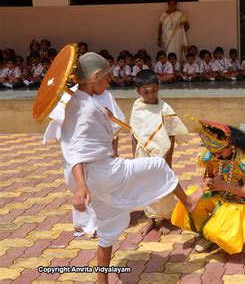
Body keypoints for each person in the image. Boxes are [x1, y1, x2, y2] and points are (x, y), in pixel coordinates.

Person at [59, 52, 203, 283]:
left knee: (106, 231)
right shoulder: (85, 108)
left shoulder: (77, 101)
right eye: (106, 78)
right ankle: (187, 202)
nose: (108, 83)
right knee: (158, 165)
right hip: (104, 173)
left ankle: (101, 280)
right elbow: (77, 149)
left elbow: (76, 141)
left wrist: (101, 116)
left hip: (95, 179)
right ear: (95, 76)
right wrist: (80, 186)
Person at [43, 82, 126, 239]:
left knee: (99, 185)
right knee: (77, 184)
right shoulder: (69, 96)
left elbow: (114, 126)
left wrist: (114, 149)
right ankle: (84, 223)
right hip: (75, 151)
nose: (107, 81)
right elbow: (58, 124)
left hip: (98, 151)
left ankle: (101, 222)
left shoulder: (104, 94)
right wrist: (68, 146)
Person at [171, 118, 245, 254]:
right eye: (214, 154)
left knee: (226, 224)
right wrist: (209, 182)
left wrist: (226, 186)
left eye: (220, 153)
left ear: (230, 145)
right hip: (220, 195)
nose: (217, 157)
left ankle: (216, 232)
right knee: (190, 198)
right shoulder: (211, 155)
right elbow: (208, 176)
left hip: (240, 202)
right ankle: (208, 233)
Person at [130, 70, 188, 236]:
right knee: (147, 185)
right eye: (145, 92)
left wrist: (168, 159)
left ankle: (167, 218)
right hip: (143, 155)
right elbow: (134, 134)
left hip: (161, 155)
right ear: (138, 91)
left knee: (164, 185)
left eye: (154, 91)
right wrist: (135, 158)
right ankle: (151, 218)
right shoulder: (137, 107)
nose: (150, 95)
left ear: (158, 88)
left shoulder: (165, 108)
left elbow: (171, 134)